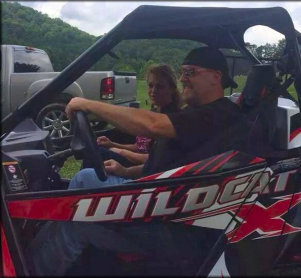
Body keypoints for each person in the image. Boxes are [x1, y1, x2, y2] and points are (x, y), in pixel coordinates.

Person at [26, 46, 248, 276]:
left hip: (170, 222)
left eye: (190, 72)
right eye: (182, 72)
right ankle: (40, 249)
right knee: (84, 178)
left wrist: (88, 104)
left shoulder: (219, 114)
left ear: (216, 77)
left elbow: (154, 125)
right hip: (154, 199)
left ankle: (34, 268)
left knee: (76, 220)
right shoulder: (198, 113)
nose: (183, 78)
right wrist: (124, 170)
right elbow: (164, 167)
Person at [82, 64, 182, 168]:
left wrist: (119, 151)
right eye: (151, 85)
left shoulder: (171, 120)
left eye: (159, 86)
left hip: (144, 169)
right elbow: (139, 147)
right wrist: (111, 144)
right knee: (96, 149)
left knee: (96, 153)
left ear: (172, 89)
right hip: (137, 160)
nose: (153, 91)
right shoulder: (156, 112)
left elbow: (154, 159)